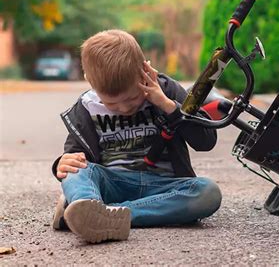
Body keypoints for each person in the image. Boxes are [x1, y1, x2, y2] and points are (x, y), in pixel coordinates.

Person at [51, 29, 221, 243]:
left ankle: (96, 215)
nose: (123, 108)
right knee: (76, 172)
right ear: (90, 82)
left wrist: (168, 106)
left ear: (145, 70)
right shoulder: (86, 107)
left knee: (208, 193)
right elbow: (75, 154)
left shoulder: (166, 91)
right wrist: (63, 163)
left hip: (163, 189)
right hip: (114, 184)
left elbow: (206, 141)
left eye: (132, 99)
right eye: (112, 104)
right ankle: (86, 206)